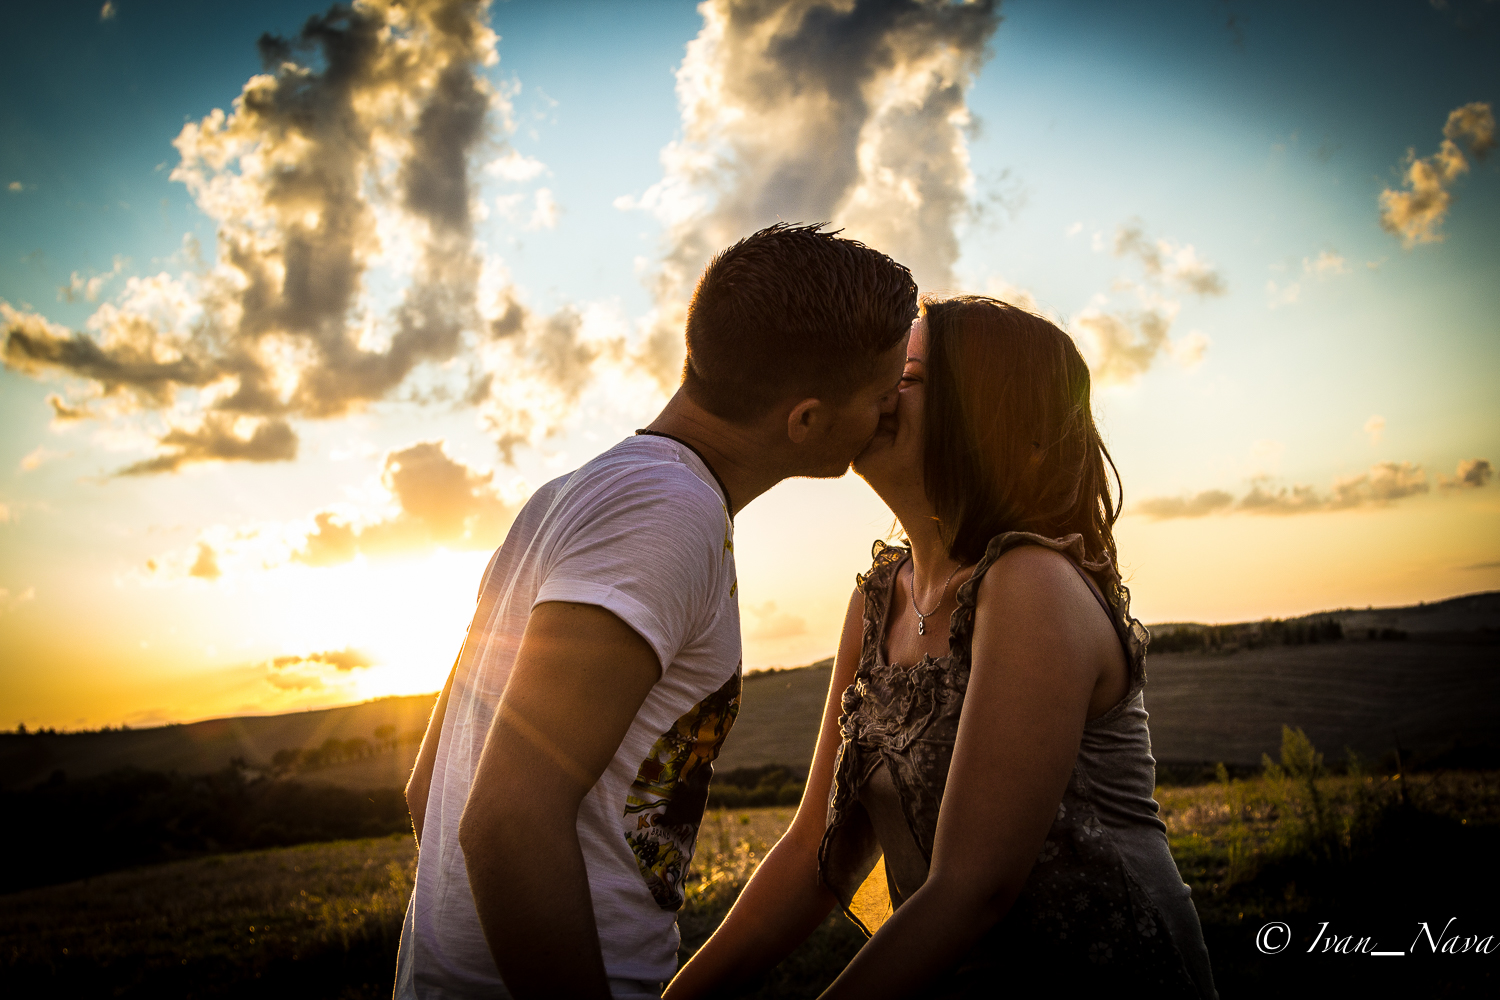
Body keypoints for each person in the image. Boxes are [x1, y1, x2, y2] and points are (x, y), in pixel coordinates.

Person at [393, 223, 919, 1000]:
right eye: (881, 395)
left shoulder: (572, 494)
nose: (891, 411)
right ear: (806, 420)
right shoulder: (666, 515)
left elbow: (431, 785)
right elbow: (506, 819)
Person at [665, 296, 1218, 999]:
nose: (877, 390)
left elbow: (970, 888)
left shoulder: (1032, 584)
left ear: (985, 417)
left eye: (909, 376)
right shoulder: (877, 599)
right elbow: (815, 853)